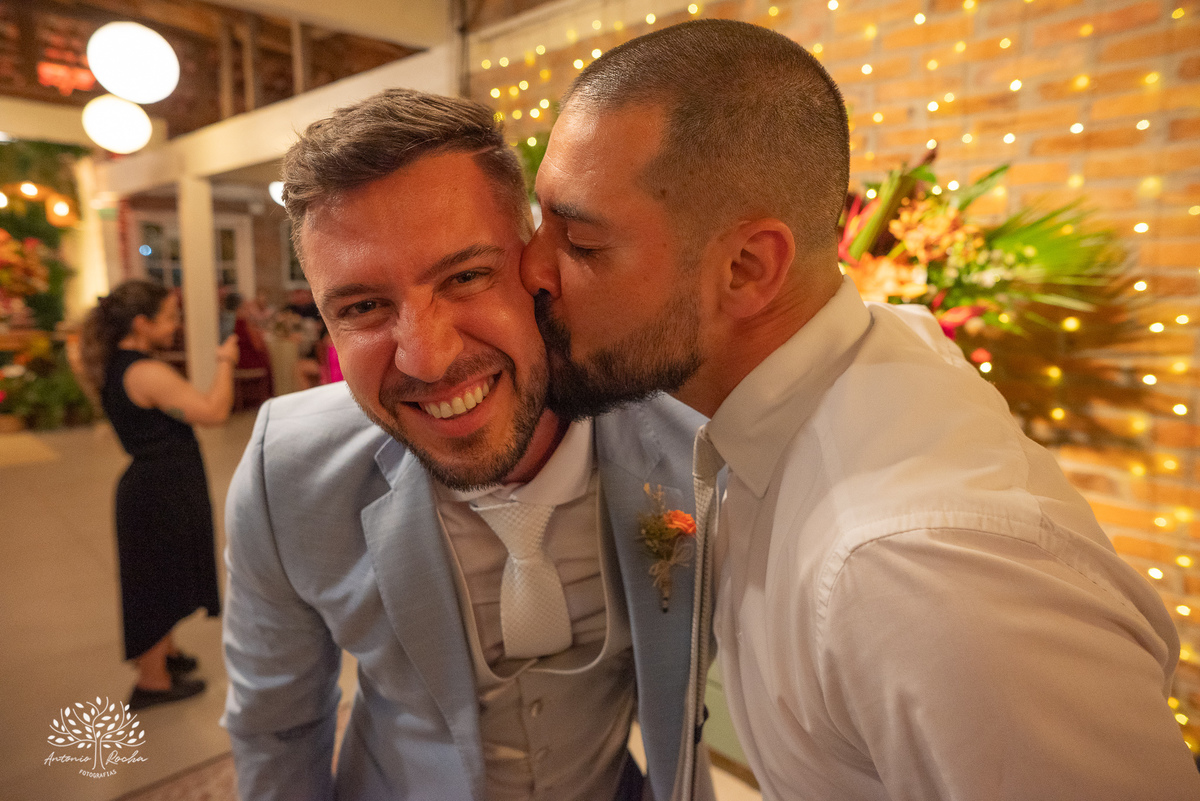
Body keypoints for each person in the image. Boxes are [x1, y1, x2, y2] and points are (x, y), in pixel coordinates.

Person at [521, 19, 1200, 801]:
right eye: (541, 222)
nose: (531, 268)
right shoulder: (847, 360)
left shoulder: (915, 574)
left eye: (581, 243)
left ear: (747, 268)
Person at [221, 88, 714, 801]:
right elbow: (277, 728)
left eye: (466, 276)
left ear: (538, 268)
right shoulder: (287, 473)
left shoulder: (687, 441)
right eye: (363, 306)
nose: (427, 359)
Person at [79, 279, 239, 711]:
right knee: (153, 584)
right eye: (168, 317)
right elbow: (214, 412)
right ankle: (152, 682)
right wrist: (225, 361)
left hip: (157, 484)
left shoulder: (118, 364)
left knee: (164, 573)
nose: (175, 325)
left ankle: (166, 654)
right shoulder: (145, 372)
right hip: (158, 491)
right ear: (141, 323)